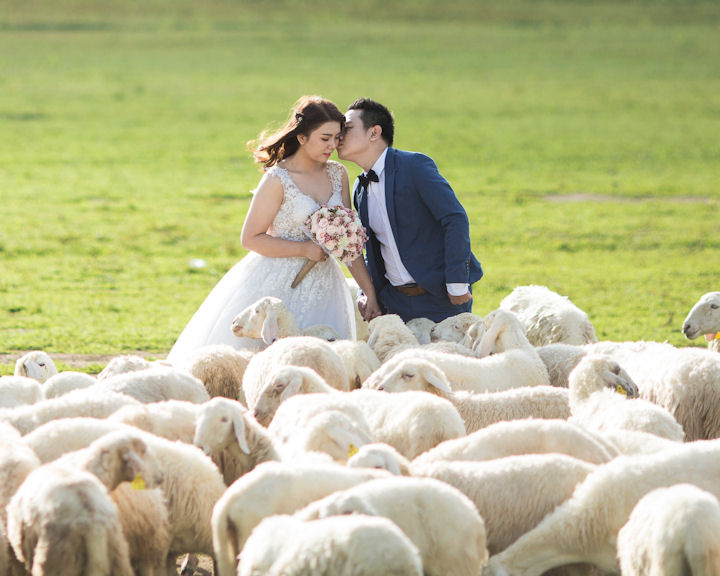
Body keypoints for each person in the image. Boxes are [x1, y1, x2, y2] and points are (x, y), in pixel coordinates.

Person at [167, 96, 379, 364]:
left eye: (337, 138)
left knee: (320, 361)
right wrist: (304, 248)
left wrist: (368, 291)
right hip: (277, 281)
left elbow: (347, 242)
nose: (333, 146)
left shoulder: (339, 174)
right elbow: (251, 238)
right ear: (302, 137)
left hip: (325, 285)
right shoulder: (278, 178)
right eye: (325, 138)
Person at [337, 97, 483, 323]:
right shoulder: (359, 188)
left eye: (347, 128)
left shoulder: (414, 166)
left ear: (374, 133)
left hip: (442, 297)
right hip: (394, 304)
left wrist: (456, 282)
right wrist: (367, 293)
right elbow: (371, 249)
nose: (339, 136)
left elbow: (454, 219)